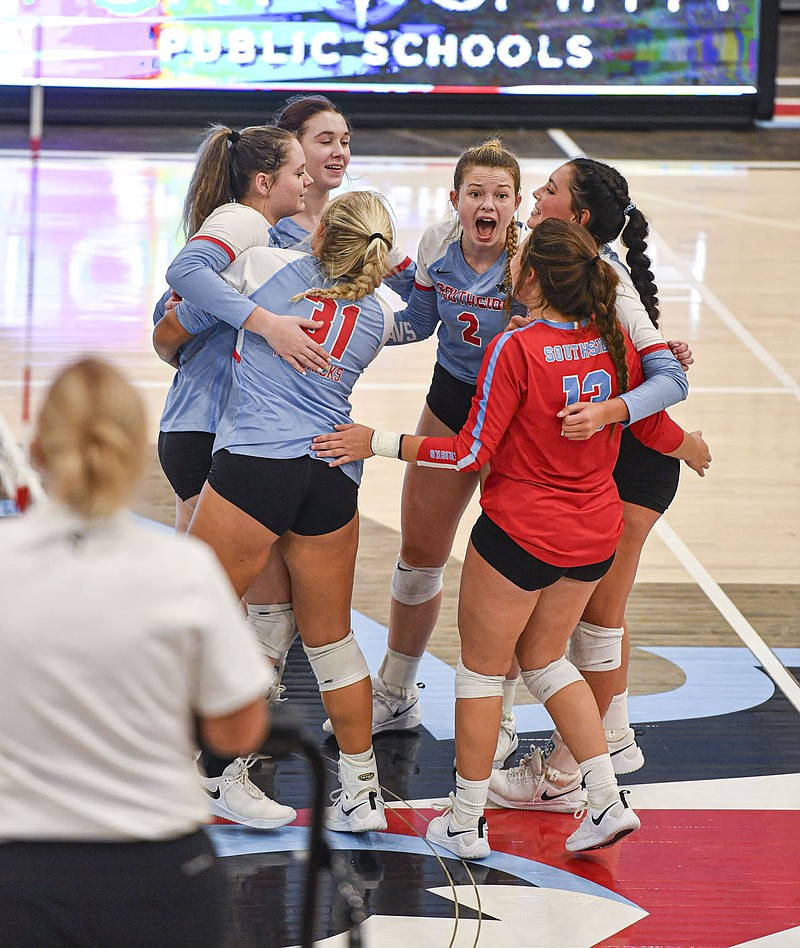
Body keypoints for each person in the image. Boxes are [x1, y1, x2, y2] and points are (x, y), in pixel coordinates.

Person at [312, 218, 711, 858]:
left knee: (480, 674)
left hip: (520, 536)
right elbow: (661, 406)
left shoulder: (515, 349)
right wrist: (682, 435)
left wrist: (380, 443)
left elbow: (470, 451)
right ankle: (605, 798)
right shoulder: (613, 342)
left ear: (530, 279)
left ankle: (466, 821)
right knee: (549, 661)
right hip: (594, 536)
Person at [0, 358, 272, 947]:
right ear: (134, 455)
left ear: (39, 452)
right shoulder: (183, 570)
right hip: (157, 872)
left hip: (17, 870)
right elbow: (237, 730)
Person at [171, 190, 398, 834]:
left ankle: (211, 769)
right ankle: (361, 793)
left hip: (255, 469)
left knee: (205, 618)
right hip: (330, 477)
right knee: (331, 641)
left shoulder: (265, 268)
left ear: (322, 231)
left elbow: (185, 283)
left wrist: (259, 323)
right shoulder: (378, 319)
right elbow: (425, 314)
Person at [490, 156, 698, 809]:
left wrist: (614, 411)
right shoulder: (581, 272)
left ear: (576, 217)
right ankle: (612, 737)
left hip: (633, 460)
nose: (536, 195)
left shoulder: (604, 271)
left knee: (597, 624)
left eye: (548, 190)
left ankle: (568, 771)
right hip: (619, 457)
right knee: (595, 622)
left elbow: (667, 379)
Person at [155, 123, 322, 830]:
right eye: (297, 167)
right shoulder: (240, 221)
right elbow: (183, 283)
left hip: (226, 434)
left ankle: (205, 759)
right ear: (264, 180)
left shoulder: (271, 235)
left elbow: (184, 313)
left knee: (246, 608)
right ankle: (212, 769)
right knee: (226, 612)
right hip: (208, 434)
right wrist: (263, 323)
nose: (308, 177)